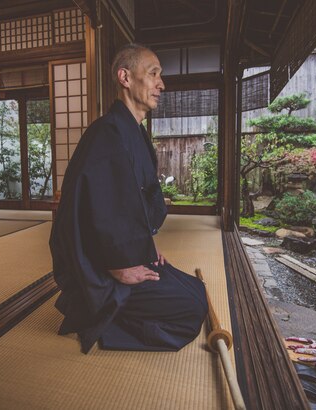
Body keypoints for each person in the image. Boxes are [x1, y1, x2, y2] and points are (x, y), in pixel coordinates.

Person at [49, 44, 208, 353]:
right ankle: (98, 315)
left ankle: (112, 306)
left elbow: (129, 205)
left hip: (125, 253)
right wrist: (117, 266)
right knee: (191, 307)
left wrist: (143, 244)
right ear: (125, 77)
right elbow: (91, 211)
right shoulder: (106, 135)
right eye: (153, 74)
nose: (161, 84)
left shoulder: (132, 132)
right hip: (100, 268)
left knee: (196, 288)